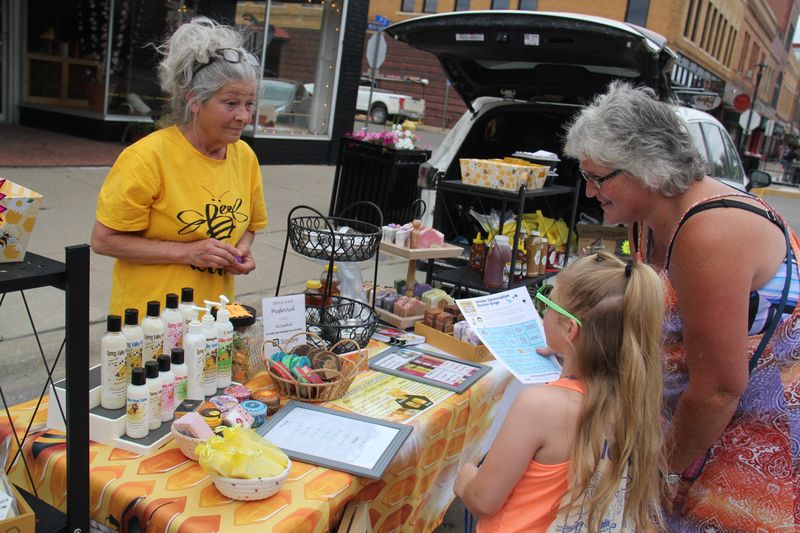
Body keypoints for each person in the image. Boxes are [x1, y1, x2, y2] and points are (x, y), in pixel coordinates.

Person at [563, 81, 800, 530]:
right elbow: (649, 317)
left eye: (598, 178)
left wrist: (655, 476)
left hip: (757, 438)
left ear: (645, 169)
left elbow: (718, 389)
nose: (590, 191)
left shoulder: (710, 232)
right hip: (702, 426)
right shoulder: (645, 220)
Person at [454, 253, 666, 532]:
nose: (543, 312)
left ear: (570, 328)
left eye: (547, 302)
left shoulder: (541, 406)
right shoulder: (637, 404)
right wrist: (570, 353)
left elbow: (484, 500)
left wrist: (465, 478)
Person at [91, 17, 268, 317]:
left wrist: (240, 251)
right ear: (194, 101)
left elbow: (251, 226)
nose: (243, 116)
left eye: (249, 104)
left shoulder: (245, 157)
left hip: (213, 321)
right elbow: (103, 240)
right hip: (150, 322)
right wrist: (188, 252)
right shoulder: (147, 158)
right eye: (231, 103)